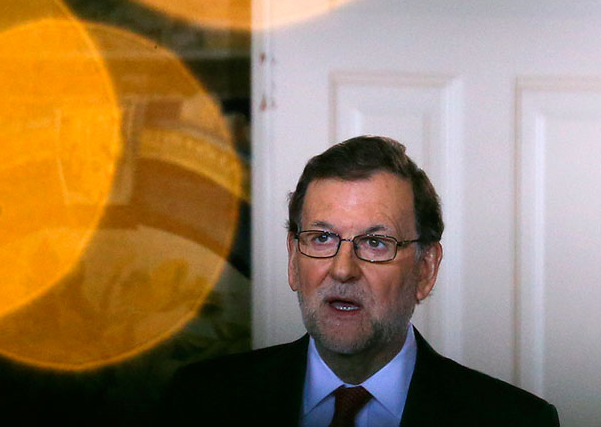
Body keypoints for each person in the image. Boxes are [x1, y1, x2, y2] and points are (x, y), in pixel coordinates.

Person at [161, 136, 559, 426]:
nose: (342, 269)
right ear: (293, 260)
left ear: (425, 268)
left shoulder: (516, 420)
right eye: (322, 238)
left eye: (375, 243)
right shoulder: (200, 401)